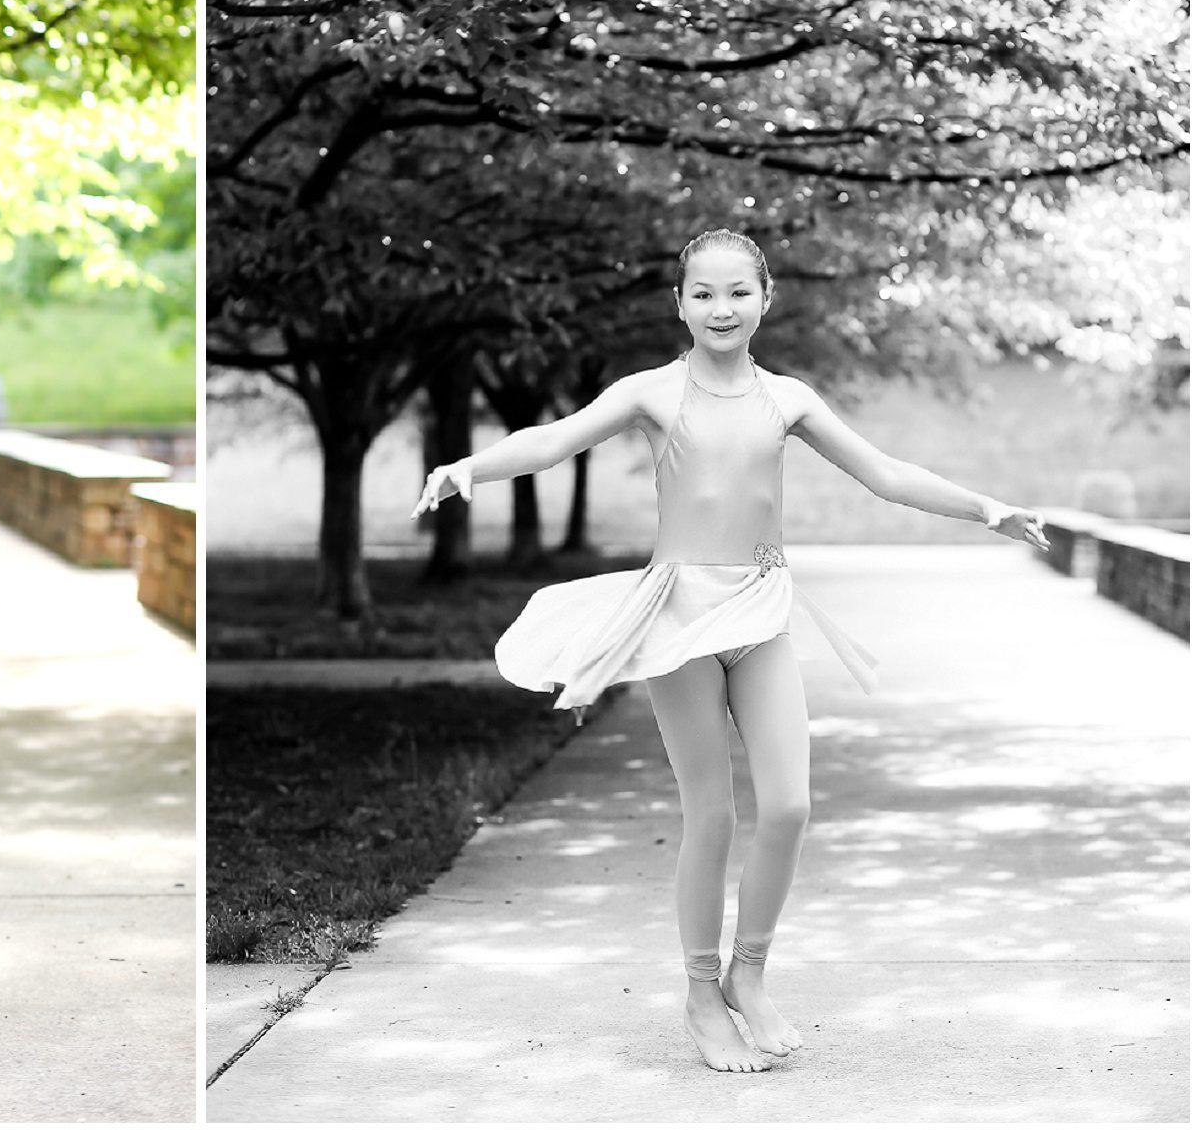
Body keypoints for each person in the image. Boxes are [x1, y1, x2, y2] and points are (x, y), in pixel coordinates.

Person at [415, 226, 1048, 1075]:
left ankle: (749, 974)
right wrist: (468, 467)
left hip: (761, 607)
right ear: (680, 303)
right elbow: (553, 438)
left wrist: (989, 509)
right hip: (678, 617)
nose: (721, 307)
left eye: (737, 291)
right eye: (703, 293)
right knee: (709, 813)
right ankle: (699, 993)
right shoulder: (652, 391)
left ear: (766, 297)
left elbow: (886, 472)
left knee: (788, 805)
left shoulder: (788, 399)